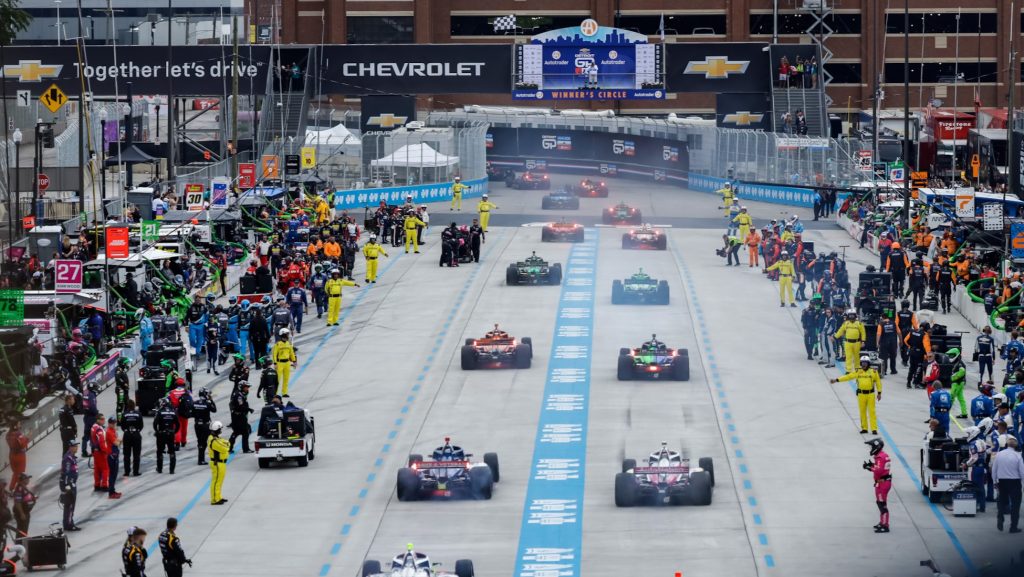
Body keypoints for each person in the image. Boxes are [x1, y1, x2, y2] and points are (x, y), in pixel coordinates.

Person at [831, 356, 882, 434]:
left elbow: (878, 382)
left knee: (872, 412)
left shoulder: (873, 372)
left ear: (868, 364)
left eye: (865, 363)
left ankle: (874, 429)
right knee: (862, 412)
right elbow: (848, 377)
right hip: (861, 394)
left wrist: (879, 393)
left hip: (870, 394)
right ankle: (864, 428)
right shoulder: (858, 371)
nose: (864, 365)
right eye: (862, 363)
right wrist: (837, 380)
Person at [992, 436, 1024, 532]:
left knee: (1002, 502)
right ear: (1015, 446)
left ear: (1006, 445)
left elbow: (994, 469)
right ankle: (1013, 527)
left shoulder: (999, 454)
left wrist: (994, 481)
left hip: (1002, 481)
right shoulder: (1018, 456)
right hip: (1015, 482)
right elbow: (1022, 472)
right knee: (1015, 505)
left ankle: (1000, 517)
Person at [863, 438, 892, 533]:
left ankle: (885, 525)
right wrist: (872, 464)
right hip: (882, 483)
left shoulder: (880, 457)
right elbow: (881, 467)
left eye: (872, 446)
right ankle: (882, 522)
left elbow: (878, 470)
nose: (871, 448)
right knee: (880, 503)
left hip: (882, 484)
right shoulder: (882, 455)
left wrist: (869, 467)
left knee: (882, 504)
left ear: (877, 447)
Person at [964, 425, 990, 513]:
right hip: (982, 467)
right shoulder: (982, 441)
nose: (967, 435)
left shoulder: (973, 444)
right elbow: (985, 454)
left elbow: (974, 458)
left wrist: (966, 464)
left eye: (968, 433)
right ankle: (982, 506)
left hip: (975, 469)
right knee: (981, 488)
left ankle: (974, 506)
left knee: (974, 487)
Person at [154, 398, 180, 474]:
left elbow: (155, 424)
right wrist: (174, 432)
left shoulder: (160, 412)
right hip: (170, 434)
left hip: (161, 434)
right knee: (172, 452)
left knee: (160, 451)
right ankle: (172, 470)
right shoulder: (173, 412)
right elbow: (178, 424)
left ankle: (159, 469)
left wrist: (157, 431)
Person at [59, 440, 80, 531]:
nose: (77, 447)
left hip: (71, 483)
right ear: (71, 447)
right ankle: (68, 525)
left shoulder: (71, 457)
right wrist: (67, 486)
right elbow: (66, 473)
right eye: (75, 446)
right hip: (69, 484)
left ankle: (69, 522)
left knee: (70, 505)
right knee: (70, 505)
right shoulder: (68, 459)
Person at [192, 387, 216, 466]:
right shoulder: (207, 403)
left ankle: (201, 458)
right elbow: (214, 410)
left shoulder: (195, 402)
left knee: (200, 441)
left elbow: (191, 413)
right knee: (205, 442)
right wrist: (211, 400)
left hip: (197, 425)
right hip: (205, 425)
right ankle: (201, 460)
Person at [904, 322, 932, 388]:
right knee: (919, 368)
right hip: (919, 354)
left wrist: (911, 346)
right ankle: (917, 383)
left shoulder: (912, 331)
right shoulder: (925, 334)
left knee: (911, 368)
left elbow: (905, 340)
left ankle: (908, 382)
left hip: (912, 352)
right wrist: (929, 355)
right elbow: (926, 346)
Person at [209, 421, 230, 505]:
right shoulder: (213, 440)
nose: (221, 430)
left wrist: (227, 444)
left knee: (219, 481)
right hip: (217, 463)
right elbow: (225, 448)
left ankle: (218, 496)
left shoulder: (216, 438)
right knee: (216, 481)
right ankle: (214, 499)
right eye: (220, 429)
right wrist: (227, 444)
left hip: (221, 463)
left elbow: (227, 442)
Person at [121, 399, 144, 476]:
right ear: (134, 405)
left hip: (127, 435)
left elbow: (122, 425)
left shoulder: (124, 414)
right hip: (136, 435)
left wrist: (127, 431)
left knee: (126, 455)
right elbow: (141, 425)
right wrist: (137, 431)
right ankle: (135, 471)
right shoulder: (138, 414)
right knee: (136, 454)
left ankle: (127, 472)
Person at [228, 384, 253, 453]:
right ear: (241, 387)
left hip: (238, 416)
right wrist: (249, 409)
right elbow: (240, 406)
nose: (247, 389)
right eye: (246, 387)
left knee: (236, 432)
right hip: (238, 417)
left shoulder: (239, 394)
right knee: (244, 432)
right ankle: (246, 449)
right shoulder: (239, 396)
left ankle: (229, 448)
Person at [272, 328, 297, 396]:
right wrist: (275, 363)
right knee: (278, 379)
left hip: (287, 363)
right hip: (280, 363)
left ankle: (284, 392)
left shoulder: (288, 344)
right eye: (287, 334)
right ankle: (275, 393)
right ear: (283, 335)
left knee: (286, 378)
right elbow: (274, 354)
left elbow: (291, 353)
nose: (288, 335)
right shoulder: (277, 344)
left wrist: (294, 361)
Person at [168, 379, 192, 448]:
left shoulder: (172, 392)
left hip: (175, 412)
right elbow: (190, 401)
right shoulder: (187, 392)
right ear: (183, 384)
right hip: (184, 412)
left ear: (176, 384)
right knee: (184, 428)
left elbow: (168, 400)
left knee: (176, 427)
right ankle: (183, 441)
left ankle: (177, 442)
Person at [5, 419, 28, 491]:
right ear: (15, 426)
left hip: (11, 455)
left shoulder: (8, 434)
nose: (20, 425)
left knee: (16, 473)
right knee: (18, 474)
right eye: (19, 424)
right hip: (19, 456)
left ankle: (15, 488)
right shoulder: (18, 434)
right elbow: (23, 445)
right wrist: (27, 438)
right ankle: (14, 489)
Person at [90, 413, 109, 491]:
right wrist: (106, 450)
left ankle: (97, 485)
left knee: (97, 469)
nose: (103, 420)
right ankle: (105, 485)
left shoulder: (93, 427)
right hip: (101, 452)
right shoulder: (99, 429)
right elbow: (102, 442)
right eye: (102, 419)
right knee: (105, 469)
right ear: (97, 420)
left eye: (104, 419)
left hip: (95, 451)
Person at [947, 348, 968, 419]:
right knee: (961, 398)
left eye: (952, 355)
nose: (950, 357)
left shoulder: (959, 363)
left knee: (951, 398)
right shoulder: (957, 363)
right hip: (959, 383)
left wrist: (954, 377)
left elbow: (962, 372)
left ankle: (946, 412)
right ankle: (964, 413)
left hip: (957, 383)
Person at [106, 417, 122, 499]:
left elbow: (117, 440)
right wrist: (120, 441)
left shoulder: (113, 431)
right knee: (112, 474)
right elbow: (116, 443)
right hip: (111, 456)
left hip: (115, 454)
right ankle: (111, 492)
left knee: (114, 474)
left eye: (115, 423)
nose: (114, 424)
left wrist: (119, 441)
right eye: (112, 423)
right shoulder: (109, 432)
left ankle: (113, 490)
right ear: (109, 423)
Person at [80, 384, 97, 457]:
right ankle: (93, 451)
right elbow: (93, 406)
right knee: (93, 435)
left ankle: (84, 451)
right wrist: (96, 413)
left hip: (86, 417)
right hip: (92, 418)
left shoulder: (85, 394)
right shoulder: (92, 395)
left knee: (86, 435)